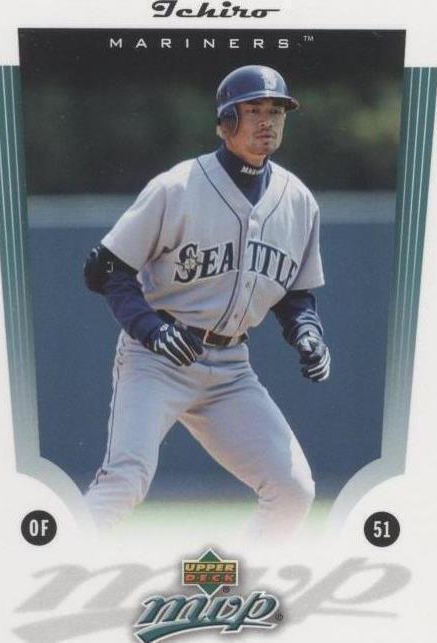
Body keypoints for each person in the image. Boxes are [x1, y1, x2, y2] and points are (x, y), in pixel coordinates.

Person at [83, 65, 330, 539]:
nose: (267, 121)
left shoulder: (299, 201)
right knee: (124, 479)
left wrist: (307, 332)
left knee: (294, 491)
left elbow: (295, 293)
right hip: (156, 361)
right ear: (224, 122)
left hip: (231, 370)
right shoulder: (177, 187)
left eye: (276, 111)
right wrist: (151, 330)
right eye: (253, 110)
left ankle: (244, 577)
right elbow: (106, 270)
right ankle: (49, 566)